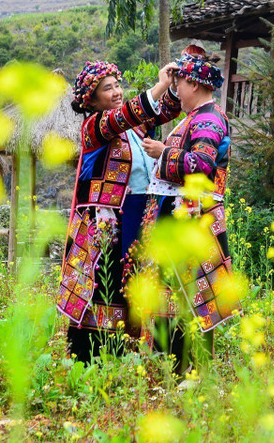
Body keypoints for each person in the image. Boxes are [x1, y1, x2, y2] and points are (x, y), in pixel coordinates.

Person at [58, 60, 182, 363]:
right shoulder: (95, 127)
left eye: (117, 85)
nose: (115, 92)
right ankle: (98, 357)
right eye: (107, 88)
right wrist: (159, 86)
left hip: (144, 213)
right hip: (109, 223)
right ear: (92, 100)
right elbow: (126, 114)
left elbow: (163, 111)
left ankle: (156, 352)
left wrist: (175, 84)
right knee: (108, 281)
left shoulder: (136, 127)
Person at [140, 49, 239, 370]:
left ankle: (190, 369)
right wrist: (164, 83)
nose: (177, 89)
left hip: (195, 221)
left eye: (180, 82)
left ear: (194, 85)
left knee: (191, 294)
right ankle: (177, 367)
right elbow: (158, 110)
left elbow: (201, 163)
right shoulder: (196, 116)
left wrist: (162, 151)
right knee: (178, 293)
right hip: (185, 219)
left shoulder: (208, 120)